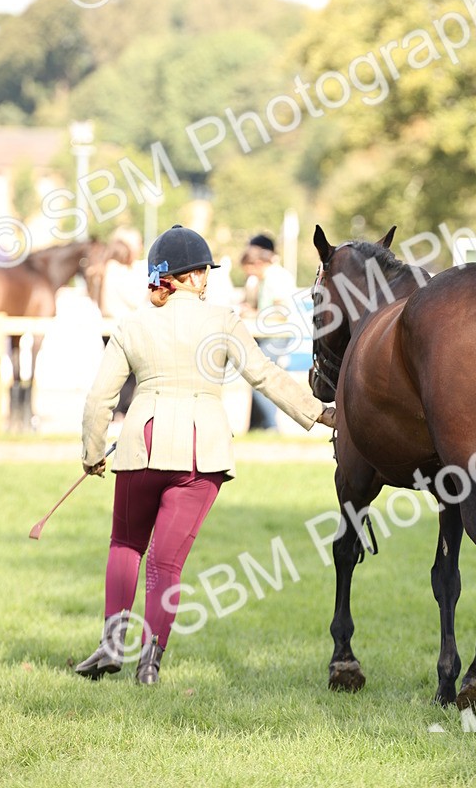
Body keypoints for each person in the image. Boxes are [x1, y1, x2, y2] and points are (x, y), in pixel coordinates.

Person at [75, 225, 335, 686]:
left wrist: (92, 453)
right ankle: (150, 662)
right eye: (202, 271)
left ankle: (112, 644)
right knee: (165, 563)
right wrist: (318, 413)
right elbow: (265, 376)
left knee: (126, 545)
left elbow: (100, 397)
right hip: (201, 455)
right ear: (188, 277)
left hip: (143, 448)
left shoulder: (133, 325)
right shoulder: (223, 320)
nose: (208, 278)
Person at [238, 242, 298, 432]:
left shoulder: (276, 277)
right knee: (257, 379)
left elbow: (280, 312)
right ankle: (258, 426)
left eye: (248, 269)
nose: (248, 274)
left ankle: (271, 426)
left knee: (261, 380)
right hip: (268, 335)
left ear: (256, 263)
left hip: (276, 335)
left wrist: (254, 314)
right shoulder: (266, 278)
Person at [97, 227, 147, 420]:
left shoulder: (107, 268)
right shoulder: (116, 270)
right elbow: (134, 298)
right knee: (128, 374)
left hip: (114, 327)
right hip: (120, 327)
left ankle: (118, 412)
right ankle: (119, 412)